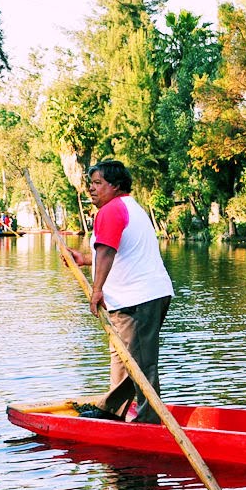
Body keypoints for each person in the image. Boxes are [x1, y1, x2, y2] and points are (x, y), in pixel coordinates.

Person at [66, 160, 174, 423]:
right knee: (122, 357)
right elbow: (114, 251)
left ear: (115, 186)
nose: (91, 189)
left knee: (139, 363)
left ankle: (150, 420)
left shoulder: (111, 210)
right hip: (145, 296)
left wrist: (96, 291)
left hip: (136, 300)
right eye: (90, 183)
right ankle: (113, 410)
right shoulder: (129, 208)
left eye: (98, 183)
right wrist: (83, 259)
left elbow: (107, 251)